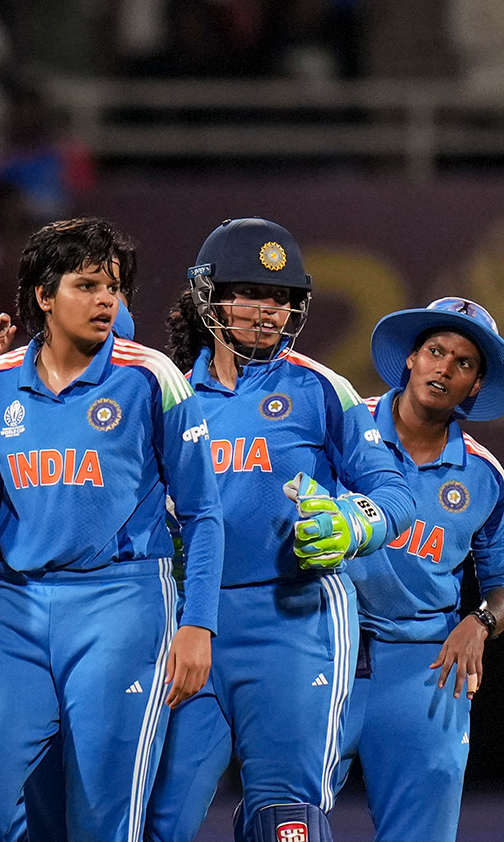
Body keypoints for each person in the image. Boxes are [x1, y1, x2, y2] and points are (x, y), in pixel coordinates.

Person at [0, 217, 224, 841]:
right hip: (16, 609)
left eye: (114, 288)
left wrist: (197, 624)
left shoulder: (153, 378)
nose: (106, 300)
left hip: (121, 606)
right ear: (44, 296)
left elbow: (203, 514)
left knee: (101, 823)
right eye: (88, 284)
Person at [146, 217, 415, 842]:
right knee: (157, 819)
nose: (268, 311)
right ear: (208, 295)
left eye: (282, 298)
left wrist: (354, 522)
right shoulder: (171, 396)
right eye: (251, 293)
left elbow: (394, 493)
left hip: (296, 624)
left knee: (284, 820)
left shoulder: (323, 388)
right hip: (191, 627)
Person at [338, 297, 504, 842]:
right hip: (322, 651)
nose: (444, 368)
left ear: (475, 386)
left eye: (463, 363)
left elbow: (502, 586)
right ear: (411, 359)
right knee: (285, 821)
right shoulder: (339, 425)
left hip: (425, 667)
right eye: (436, 351)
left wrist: (480, 620)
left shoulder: (484, 474)